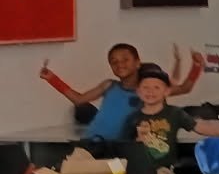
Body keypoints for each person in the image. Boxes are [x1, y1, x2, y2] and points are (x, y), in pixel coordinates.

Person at [40, 42, 202, 140]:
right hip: (91, 142)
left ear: (138, 62)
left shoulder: (149, 91)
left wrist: (196, 66)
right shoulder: (109, 85)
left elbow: (184, 88)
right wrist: (52, 79)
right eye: (114, 62)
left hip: (120, 149)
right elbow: (78, 99)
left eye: (125, 60)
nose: (120, 65)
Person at [122, 63, 219, 174]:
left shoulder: (174, 113)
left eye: (156, 87)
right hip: (138, 169)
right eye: (145, 87)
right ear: (138, 91)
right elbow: (124, 147)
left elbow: (198, 127)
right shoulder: (133, 117)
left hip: (164, 169)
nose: (150, 92)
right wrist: (138, 140)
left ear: (166, 91)